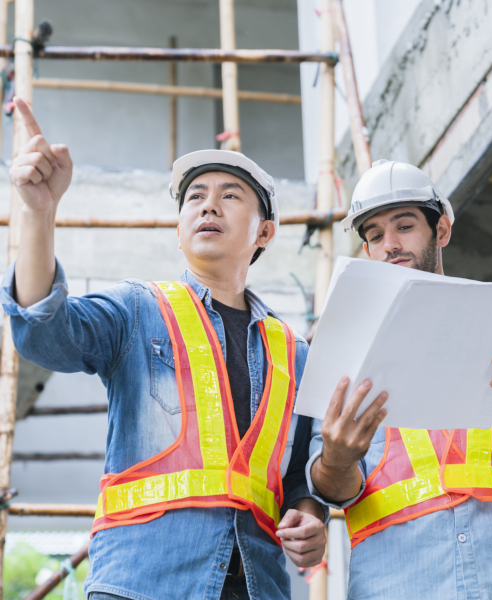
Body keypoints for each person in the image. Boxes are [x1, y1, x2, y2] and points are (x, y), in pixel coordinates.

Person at [1, 97, 327, 600]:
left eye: (231, 195)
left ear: (265, 231)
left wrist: (309, 520)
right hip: (141, 583)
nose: (208, 205)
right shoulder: (137, 310)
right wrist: (37, 214)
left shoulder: (294, 354)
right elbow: (45, 332)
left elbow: (305, 474)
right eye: (195, 196)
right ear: (179, 231)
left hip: (256, 586)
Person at [307, 159, 492, 599]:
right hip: (395, 585)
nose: (390, 244)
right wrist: (337, 459)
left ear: (442, 231)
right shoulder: (341, 347)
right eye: (375, 236)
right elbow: (329, 491)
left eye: (404, 226)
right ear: (366, 251)